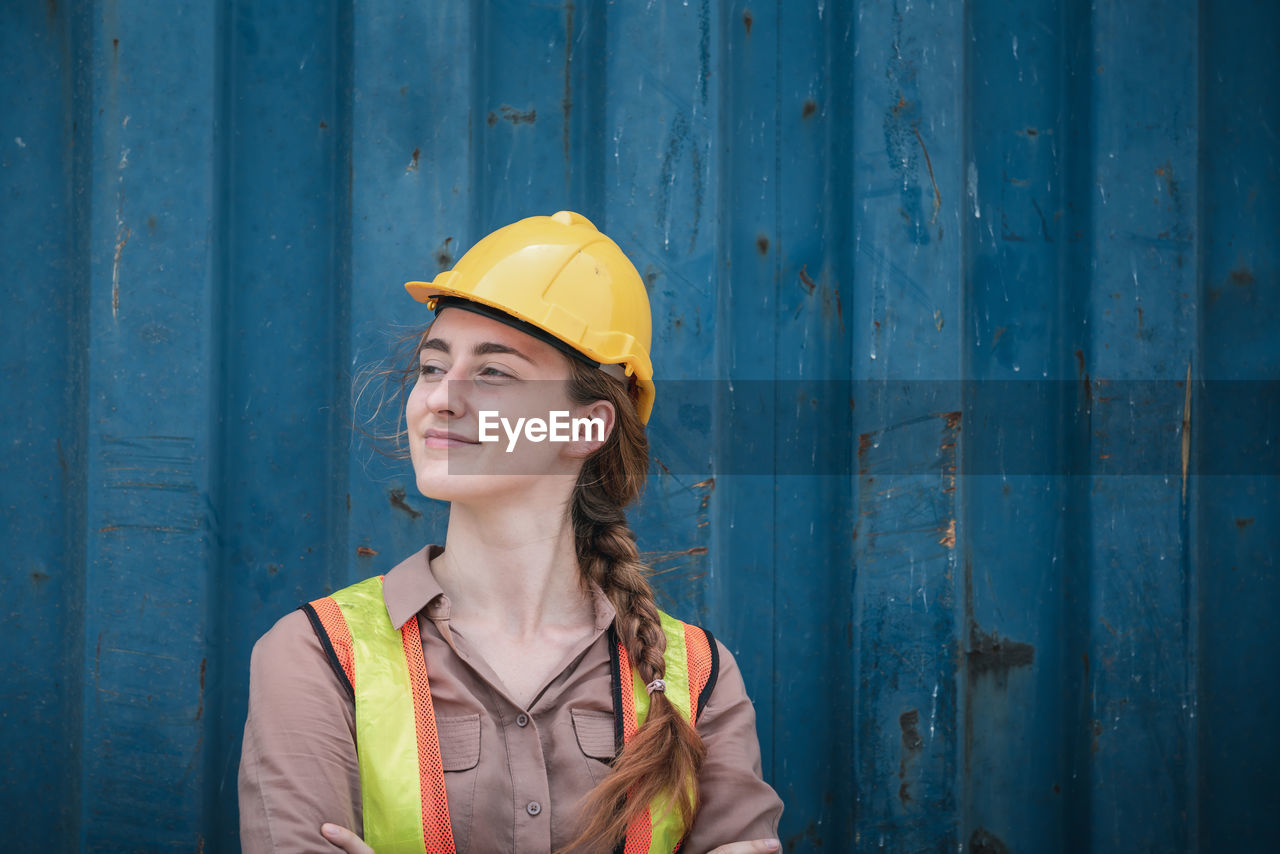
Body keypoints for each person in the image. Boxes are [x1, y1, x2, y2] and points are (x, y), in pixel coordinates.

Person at [237, 211, 784, 853]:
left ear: (586, 429)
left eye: (494, 373)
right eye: (433, 367)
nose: (441, 398)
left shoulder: (700, 679)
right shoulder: (317, 656)